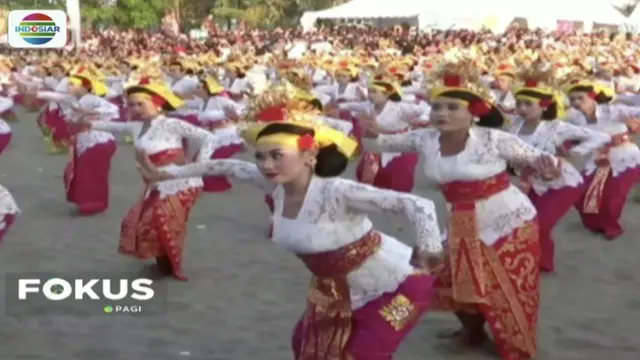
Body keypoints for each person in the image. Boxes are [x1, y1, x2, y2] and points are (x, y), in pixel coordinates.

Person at [136, 84, 444, 359]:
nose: (266, 165)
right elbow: (225, 165)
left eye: (277, 155)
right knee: (307, 349)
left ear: (309, 156)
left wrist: (429, 253)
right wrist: (167, 173)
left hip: (400, 286)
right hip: (332, 291)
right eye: (261, 156)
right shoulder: (276, 187)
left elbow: (417, 204)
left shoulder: (337, 191)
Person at [361, 60, 563, 360]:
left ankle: (515, 345)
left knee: (505, 287)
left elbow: (540, 160)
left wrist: (549, 169)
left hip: (508, 221)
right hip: (460, 221)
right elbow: (379, 144)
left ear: (473, 113)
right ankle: (473, 333)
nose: (442, 113)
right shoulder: (424, 138)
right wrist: (373, 131)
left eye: (452, 107)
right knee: (446, 279)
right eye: (437, 107)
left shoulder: (494, 139)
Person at [80, 81, 218, 280]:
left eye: (140, 104)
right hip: (154, 182)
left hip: (179, 182)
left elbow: (209, 138)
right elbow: (112, 126)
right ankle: (164, 260)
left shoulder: (171, 124)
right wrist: (88, 123)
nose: (135, 109)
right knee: (143, 221)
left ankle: (172, 265)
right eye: (132, 105)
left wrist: (198, 166)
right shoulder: (136, 126)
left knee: (165, 220)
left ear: (157, 104)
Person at [509, 66, 611, 272]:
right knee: (529, 223)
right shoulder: (515, 125)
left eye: (529, 104)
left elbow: (601, 137)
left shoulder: (556, 127)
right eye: (519, 103)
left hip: (563, 183)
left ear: (544, 106)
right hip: (533, 183)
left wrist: (574, 152)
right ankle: (542, 263)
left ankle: (540, 262)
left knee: (540, 223)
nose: (522, 108)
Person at [30, 71, 119, 215]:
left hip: (98, 141)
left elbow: (113, 109)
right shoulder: (69, 99)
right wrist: (36, 92)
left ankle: (95, 203)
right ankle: (85, 200)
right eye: (69, 83)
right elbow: (53, 95)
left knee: (92, 174)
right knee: (80, 173)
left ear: (85, 87)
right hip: (83, 140)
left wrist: (89, 111)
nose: (69, 86)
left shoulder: (92, 99)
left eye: (73, 84)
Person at [564, 78, 640, 239]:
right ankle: (595, 223)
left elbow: (635, 111)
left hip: (624, 158)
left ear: (591, 97)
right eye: (572, 99)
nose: (576, 102)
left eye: (580, 98)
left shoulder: (611, 111)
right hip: (597, 160)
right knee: (581, 193)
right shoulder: (574, 118)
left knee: (612, 197)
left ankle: (611, 227)